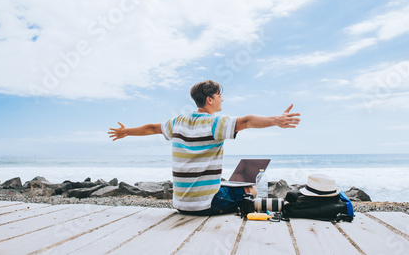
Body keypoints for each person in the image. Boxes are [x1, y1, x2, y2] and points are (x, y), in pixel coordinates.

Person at [108, 80, 300, 215]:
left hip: (180, 204)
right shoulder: (215, 122)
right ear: (209, 99)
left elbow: (151, 128)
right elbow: (247, 121)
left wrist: (126, 132)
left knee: (225, 184)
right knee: (251, 189)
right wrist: (276, 120)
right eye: (219, 96)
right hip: (207, 205)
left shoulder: (178, 121)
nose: (222, 99)